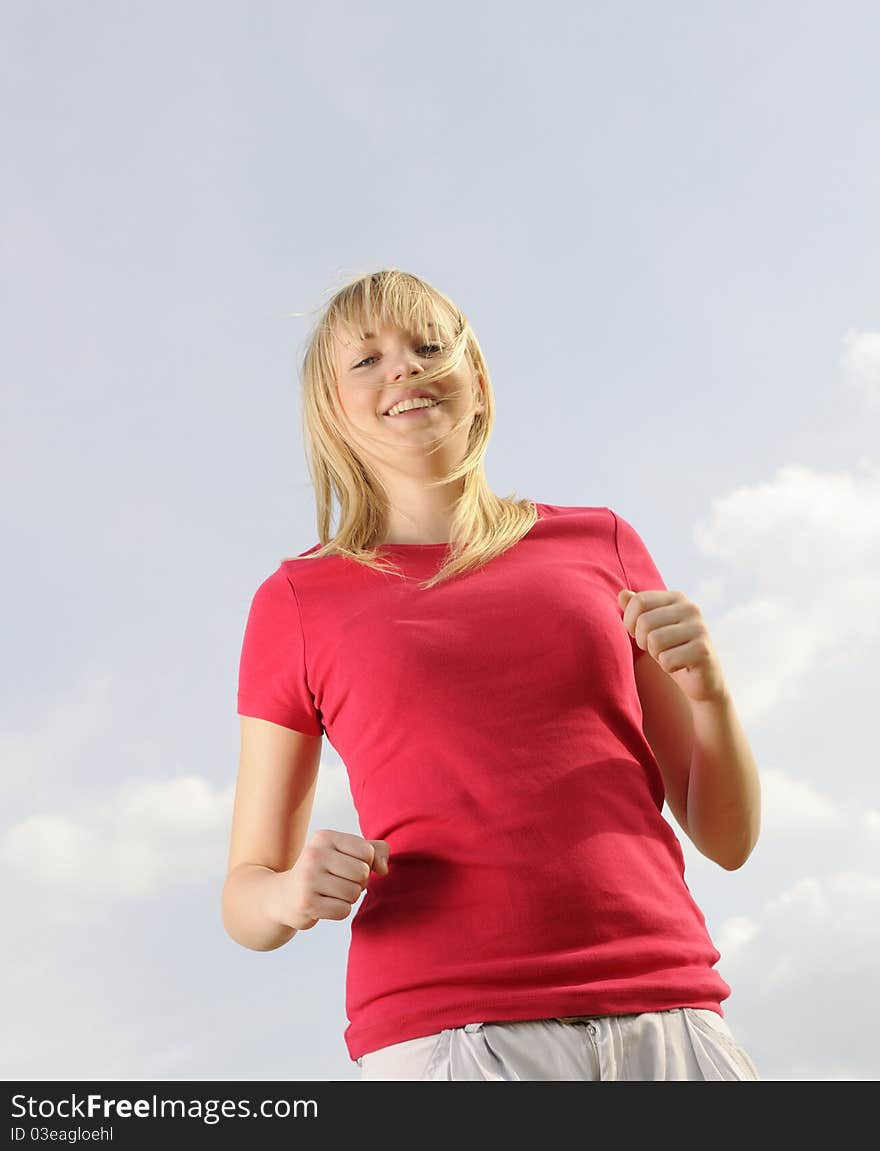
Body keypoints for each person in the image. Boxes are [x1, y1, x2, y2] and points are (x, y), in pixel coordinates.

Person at [221, 268, 762, 1081]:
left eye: (427, 345)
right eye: (365, 359)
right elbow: (245, 893)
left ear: (475, 378)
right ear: (332, 411)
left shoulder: (602, 543)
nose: (403, 366)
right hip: (448, 1038)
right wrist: (288, 893)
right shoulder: (298, 600)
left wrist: (712, 695)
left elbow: (728, 839)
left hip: (671, 1015)